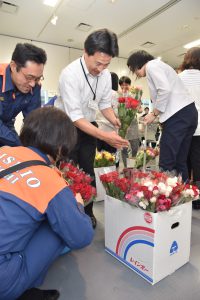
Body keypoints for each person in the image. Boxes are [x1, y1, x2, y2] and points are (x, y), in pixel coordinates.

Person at [0, 106, 94, 300]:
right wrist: (77, 206)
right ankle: (23, 286)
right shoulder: (50, 181)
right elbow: (81, 237)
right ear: (61, 147)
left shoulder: (4, 151)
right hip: (3, 281)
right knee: (59, 225)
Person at [55, 28, 128, 228]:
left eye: (107, 64)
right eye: (98, 63)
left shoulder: (104, 75)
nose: (101, 69)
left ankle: (88, 212)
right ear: (85, 52)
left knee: (87, 172)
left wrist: (115, 120)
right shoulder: (70, 74)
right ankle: (68, 216)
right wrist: (105, 136)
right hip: (66, 127)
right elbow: (75, 117)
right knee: (67, 173)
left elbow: (104, 105)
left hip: (88, 125)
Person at [127, 50, 198, 181]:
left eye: (133, 69)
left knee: (167, 161)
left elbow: (164, 89)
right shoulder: (160, 66)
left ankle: (166, 199)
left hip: (178, 116)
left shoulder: (152, 66)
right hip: (189, 113)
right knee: (180, 161)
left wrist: (154, 113)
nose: (135, 73)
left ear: (137, 65)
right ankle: (184, 198)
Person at [0, 43, 47, 147]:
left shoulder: (35, 86)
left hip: (7, 126)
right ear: (13, 66)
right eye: (29, 77)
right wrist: (20, 145)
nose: (32, 83)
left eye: (38, 78)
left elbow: (33, 123)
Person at [179, 47, 200, 208]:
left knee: (183, 161)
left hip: (183, 125)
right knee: (198, 161)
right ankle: (198, 198)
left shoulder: (178, 78)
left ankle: (185, 196)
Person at [118, 76, 140, 168]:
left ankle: (133, 165)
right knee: (124, 149)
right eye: (122, 85)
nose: (124, 87)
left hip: (133, 124)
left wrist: (138, 108)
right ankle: (127, 168)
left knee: (135, 147)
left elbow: (139, 109)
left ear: (130, 85)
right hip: (122, 125)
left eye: (126, 85)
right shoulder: (117, 95)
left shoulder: (134, 95)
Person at [96, 71, 119, 154]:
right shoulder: (114, 94)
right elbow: (116, 112)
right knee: (110, 156)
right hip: (110, 129)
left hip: (99, 128)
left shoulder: (98, 92)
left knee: (100, 155)